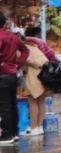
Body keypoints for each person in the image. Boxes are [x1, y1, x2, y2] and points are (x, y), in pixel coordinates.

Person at [19, 30, 55, 137]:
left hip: (34, 75)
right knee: (41, 101)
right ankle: (38, 127)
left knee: (32, 101)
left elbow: (29, 62)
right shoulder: (33, 46)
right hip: (43, 74)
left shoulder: (23, 49)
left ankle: (33, 127)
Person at [0, 13, 29, 145]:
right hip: (12, 74)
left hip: (2, 74)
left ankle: (7, 135)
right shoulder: (11, 36)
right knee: (12, 104)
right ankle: (14, 132)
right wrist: (18, 65)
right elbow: (25, 50)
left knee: (5, 106)